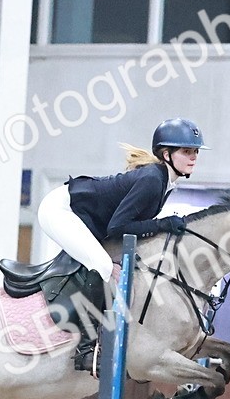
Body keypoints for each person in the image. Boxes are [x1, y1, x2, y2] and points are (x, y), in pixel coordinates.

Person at [37, 117, 208, 370]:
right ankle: (85, 350)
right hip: (60, 210)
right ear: (166, 154)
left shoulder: (164, 181)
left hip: (84, 217)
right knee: (104, 266)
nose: (193, 157)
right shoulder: (153, 180)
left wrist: (161, 225)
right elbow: (117, 227)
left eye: (195, 152)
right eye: (186, 151)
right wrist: (162, 224)